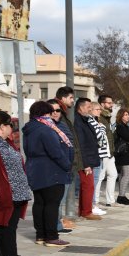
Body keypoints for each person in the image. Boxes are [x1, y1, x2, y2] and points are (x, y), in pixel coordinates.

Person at [0, 110, 33, 256]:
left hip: (16, 195)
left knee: (9, 231)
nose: (12, 128)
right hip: (1, 197)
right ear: (1, 126)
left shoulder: (6, 142)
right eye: (10, 125)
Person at [23, 101, 73, 247]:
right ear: (44, 114)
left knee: (40, 203)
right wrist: (67, 165)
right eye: (50, 113)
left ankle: (40, 235)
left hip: (35, 169)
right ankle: (51, 236)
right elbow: (55, 152)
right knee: (52, 204)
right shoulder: (46, 129)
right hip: (51, 171)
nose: (52, 116)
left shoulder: (29, 128)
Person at [46, 99, 75, 234]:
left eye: (58, 110)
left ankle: (57, 224)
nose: (55, 113)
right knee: (54, 201)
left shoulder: (62, 125)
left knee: (60, 201)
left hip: (66, 168)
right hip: (55, 169)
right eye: (52, 110)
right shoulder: (46, 126)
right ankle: (54, 227)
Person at [53, 86, 79, 230]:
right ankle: (56, 224)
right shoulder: (60, 115)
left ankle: (59, 222)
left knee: (60, 198)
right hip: (63, 164)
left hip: (68, 162)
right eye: (70, 98)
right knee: (58, 199)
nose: (73, 101)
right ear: (62, 98)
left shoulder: (65, 115)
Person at [73, 98, 102, 220]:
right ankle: (86, 211)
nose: (90, 108)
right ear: (81, 107)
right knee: (88, 185)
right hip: (85, 160)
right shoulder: (78, 122)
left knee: (88, 186)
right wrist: (85, 163)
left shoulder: (85, 120)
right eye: (88, 106)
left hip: (90, 157)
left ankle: (84, 210)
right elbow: (80, 144)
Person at [96, 94, 118, 207]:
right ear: (102, 104)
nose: (111, 104)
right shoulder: (99, 117)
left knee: (113, 174)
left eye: (111, 102)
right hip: (103, 152)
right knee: (100, 177)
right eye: (109, 103)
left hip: (109, 152)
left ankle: (110, 200)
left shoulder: (107, 117)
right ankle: (95, 201)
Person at [114, 108, 129, 205]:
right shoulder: (120, 127)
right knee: (128, 173)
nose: (127, 116)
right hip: (123, 153)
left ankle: (122, 195)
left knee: (124, 174)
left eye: (128, 115)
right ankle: (121, 196)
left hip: (126, 152)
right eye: (125, 115)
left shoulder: (125, 126)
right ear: (120, 116)